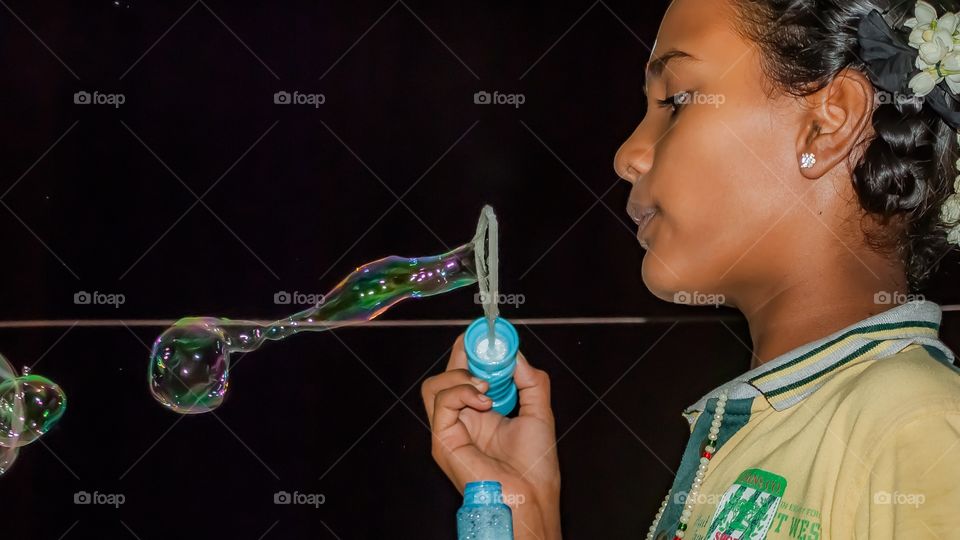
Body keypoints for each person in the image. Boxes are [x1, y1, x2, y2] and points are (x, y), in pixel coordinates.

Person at [421, 0, 960, 537]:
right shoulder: (767, 426)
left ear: (828, 121)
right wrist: (529, 510)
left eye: (677, 100)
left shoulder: (919, 424)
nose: (627, 155)